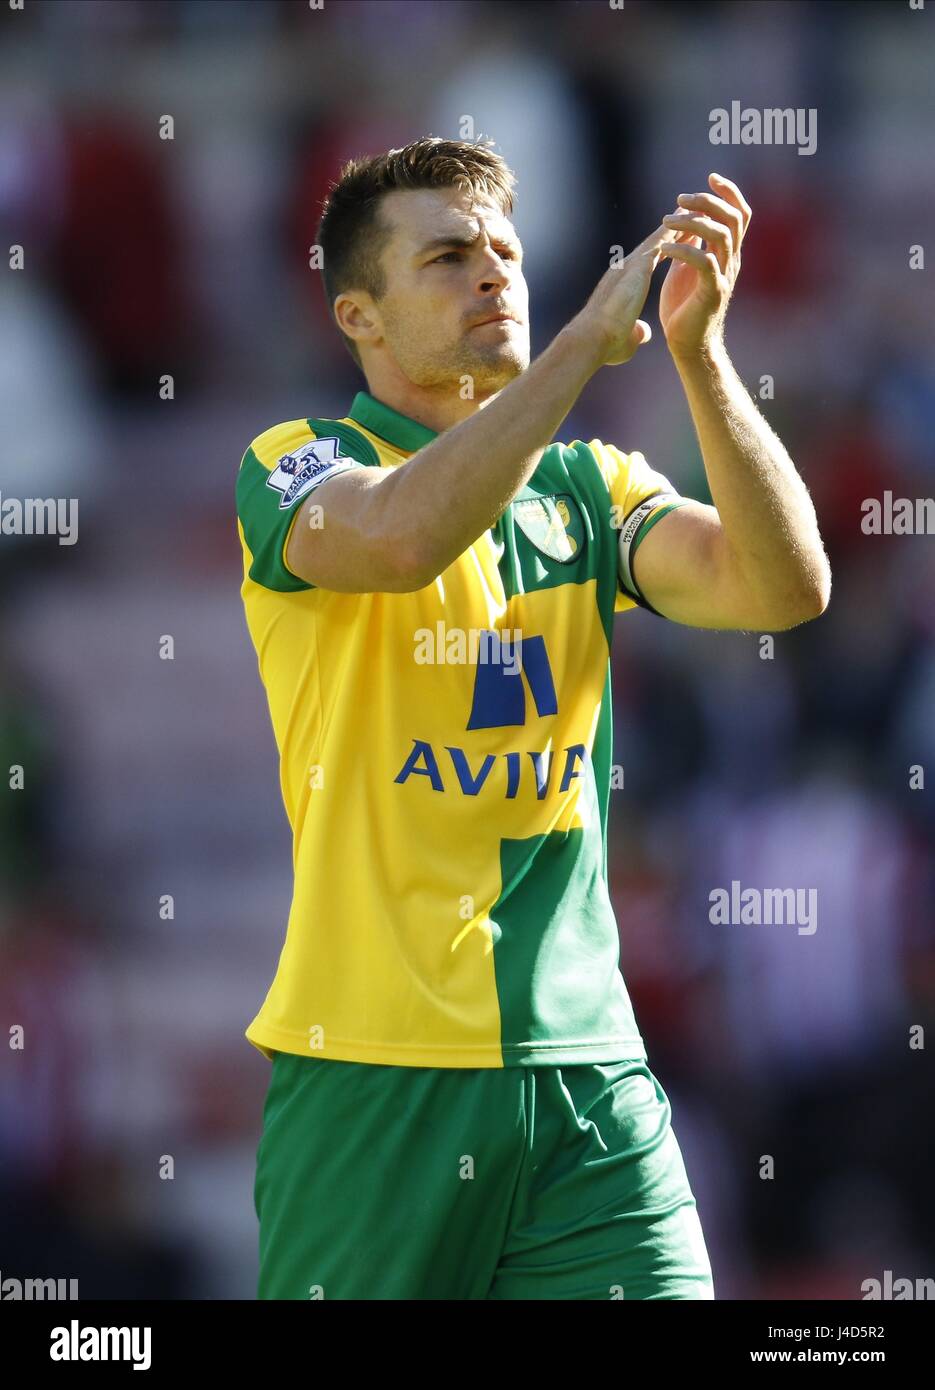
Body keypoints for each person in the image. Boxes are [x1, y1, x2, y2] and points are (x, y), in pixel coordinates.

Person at [236, 136, 830, 1300]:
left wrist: (700, 361)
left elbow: (783, 586)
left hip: (587, 1074)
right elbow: (403, 537)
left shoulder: (586, 489)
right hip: (374, 1077)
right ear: (357, 314)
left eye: (504, 250)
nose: (493, 275)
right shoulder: (294, 462)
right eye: (449, 258)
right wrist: (574, 357)